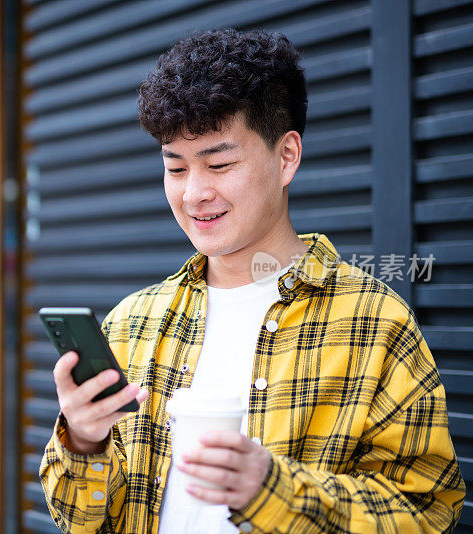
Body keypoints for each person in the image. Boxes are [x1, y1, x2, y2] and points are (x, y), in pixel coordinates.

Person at [39, 28, 464, 534]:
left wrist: (272, 490)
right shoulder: (134, 323)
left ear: (286, 157)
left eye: (219, 164)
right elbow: (78, 521)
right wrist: (85, 442)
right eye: (175, 168)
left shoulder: (374, 321)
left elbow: (428, 513)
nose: (194, 194)